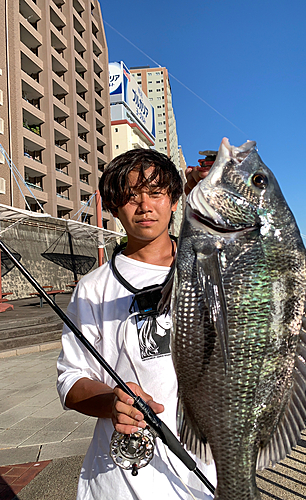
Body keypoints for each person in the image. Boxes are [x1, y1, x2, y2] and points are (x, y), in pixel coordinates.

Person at [57, 149, 216, 500]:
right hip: (121, 481)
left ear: (176, 201)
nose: (144, 205)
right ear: (114, 208)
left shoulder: (215, 270)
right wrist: (112, 402)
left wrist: (218, 194)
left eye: (156, 193)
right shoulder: (93, 288)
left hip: (209, 472)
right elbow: (70, 380)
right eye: (130, 197)